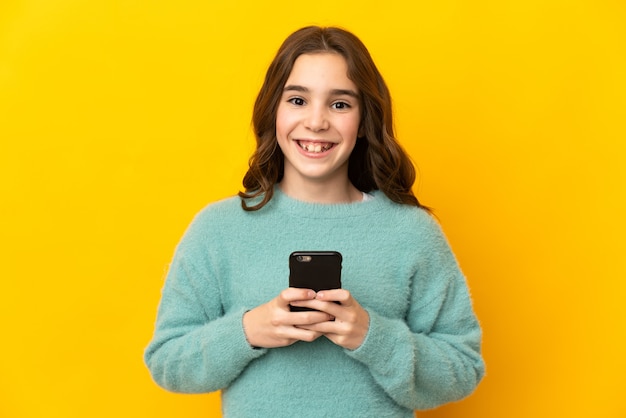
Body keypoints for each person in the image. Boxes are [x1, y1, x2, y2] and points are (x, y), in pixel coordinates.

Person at [144, 26, 485, 417]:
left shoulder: (412, 233)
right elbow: (167, 362)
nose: (317, 121)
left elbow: (463, 369)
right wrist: (248, 331)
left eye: (340, 104)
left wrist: (372, 336)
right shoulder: (218, 228)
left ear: (363, 121)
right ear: (274, 110)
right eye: (298, 100)